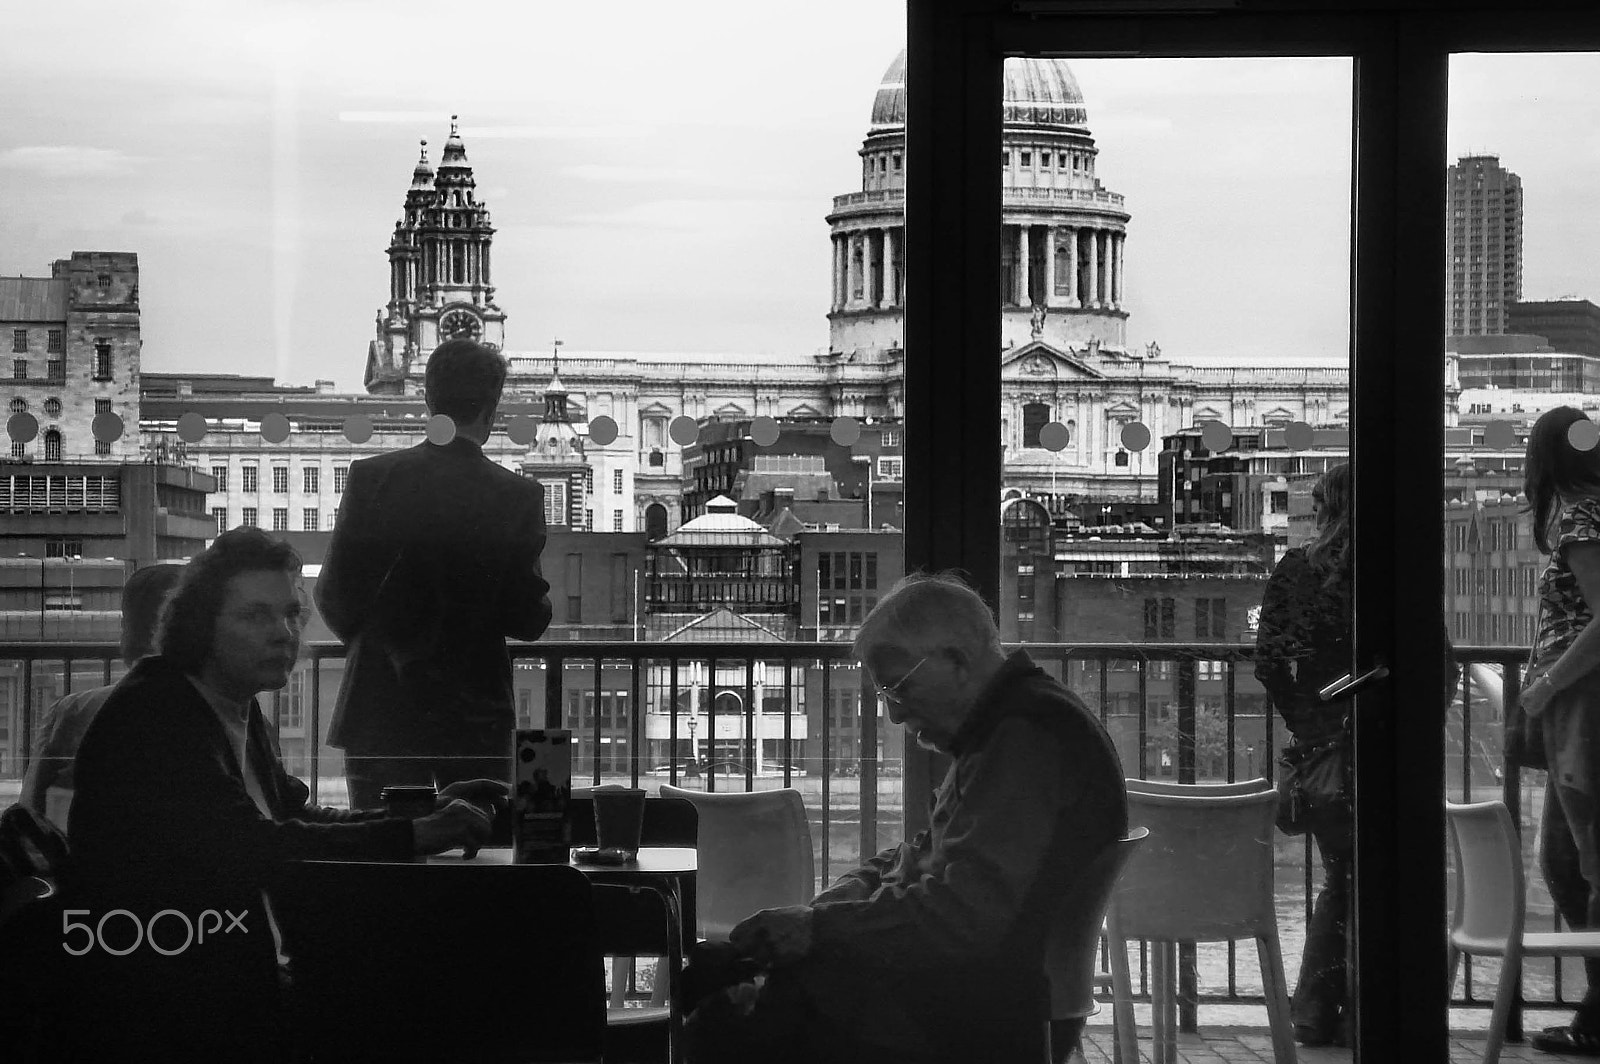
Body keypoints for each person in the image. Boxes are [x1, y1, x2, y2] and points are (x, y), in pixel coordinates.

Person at [61, 528, 499, 1063]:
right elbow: (249, 846)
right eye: (255, 615)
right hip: (167, 998)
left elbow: (295, 813)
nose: (283, 632)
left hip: (217, 972)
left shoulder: (229, 704)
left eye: (291, 614)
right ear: (199, 626)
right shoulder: (158, 714)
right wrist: (410, 833)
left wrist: (419, 815)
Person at [684, 572, 1128, 1064]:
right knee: (726, 980)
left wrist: (821, 929)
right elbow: (935, 855)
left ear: (956, 660)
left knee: (719, 1016)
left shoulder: (1022, 741)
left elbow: (962, 917)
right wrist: (848, 893)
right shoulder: (1020, 725)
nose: (894, 715)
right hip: (984, 995)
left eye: (898, 687)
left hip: (973, 1015)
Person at [1255, 462, 1456, 1047]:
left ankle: (1321, 1011)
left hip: (1325, 754)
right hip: (1387, 748)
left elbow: (1271, 661)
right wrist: (1417, 729)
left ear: (1326, 509)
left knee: (1344, 874)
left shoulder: (1296, 571)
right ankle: (1359, 1010)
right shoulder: (1393, 573)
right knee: (1371, 878)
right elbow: (1436, 662)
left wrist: (1313, 725)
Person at [317, 337, 553, 810]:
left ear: (428, 400)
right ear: (492, 407)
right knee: (480, 854)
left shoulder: (371, 478)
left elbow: (333, 594)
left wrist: (378, 643)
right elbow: (529, 619)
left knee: (383, 854)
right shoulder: (516, 496)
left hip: (380, 706)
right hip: (475, 716)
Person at [1519, 406, 1600, 1057]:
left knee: (1586, 864)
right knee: (1563, 861)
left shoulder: (1582, 517)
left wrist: (1547, 685)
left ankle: (1597, 1020)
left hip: (1584, 708)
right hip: (1575, 708)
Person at [19, 561, 184, 831]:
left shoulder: (74, 713)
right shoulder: (228, 714)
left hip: (85, 865)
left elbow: (29, 818)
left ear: (126, 628)